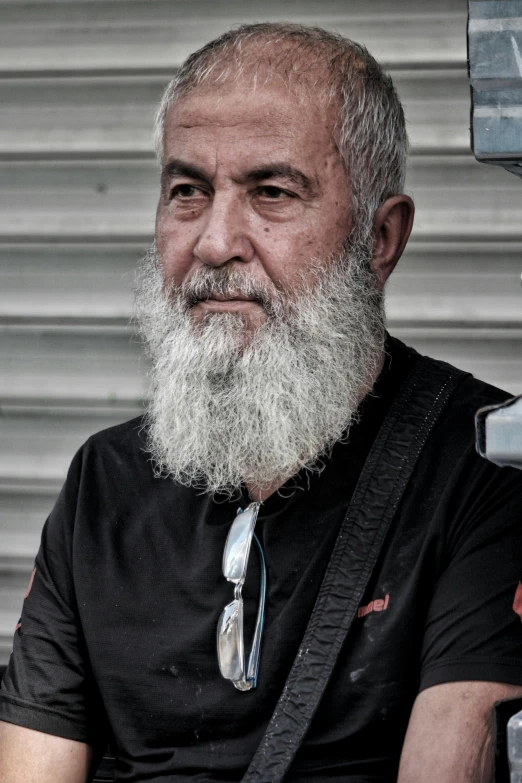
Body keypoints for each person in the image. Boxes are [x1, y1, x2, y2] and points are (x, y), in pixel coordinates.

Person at [1, 22, 522, 783]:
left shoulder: (485, 472)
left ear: (380, 239)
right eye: (188, 191)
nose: (215, 242)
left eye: (271, 192)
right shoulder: (103, 486)